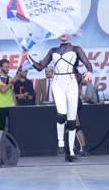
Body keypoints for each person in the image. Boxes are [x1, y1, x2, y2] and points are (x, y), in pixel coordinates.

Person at [24, 34, 93, 162]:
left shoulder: (76, 49)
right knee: (61, 114)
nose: (63, 35)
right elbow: (40, 67)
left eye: (66, 32)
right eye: (60, 32)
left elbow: (87, 63)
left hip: (71, 82)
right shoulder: (52, 51)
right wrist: (28, 57)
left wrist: (89, 71)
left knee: (72, 120)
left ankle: (71, 151)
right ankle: (60, 142)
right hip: (58, 82)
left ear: (70, 35)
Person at [0, 59, 20, 131]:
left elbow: (12, 93)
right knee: (1, 129)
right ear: (0, 67)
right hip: (1, 106)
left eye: (8, 67)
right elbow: (3, 90)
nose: (8, 69)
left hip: (11, 106)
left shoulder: (10, 78)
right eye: (6, 67)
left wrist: (15, 104)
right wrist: (12, 82)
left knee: (13, 128)